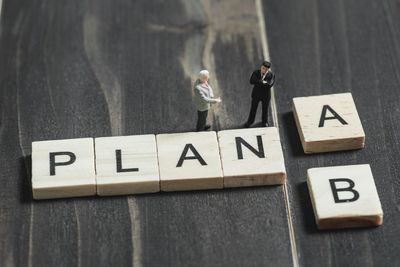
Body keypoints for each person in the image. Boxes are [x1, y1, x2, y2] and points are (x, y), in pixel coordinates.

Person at [244, 61, 275, 128]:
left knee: (265, 110)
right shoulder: (256, 72)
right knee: (253, 109)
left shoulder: (271, 75)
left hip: (265, 96)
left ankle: (265, 122)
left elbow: (270, 84)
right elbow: (251, 81)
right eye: (263, 68)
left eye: (266, 69)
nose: (264, 70)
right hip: (256, 94)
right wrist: (262, 82)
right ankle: (250, 121)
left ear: (268, 69)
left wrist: (258, 82)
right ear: (261, 67)